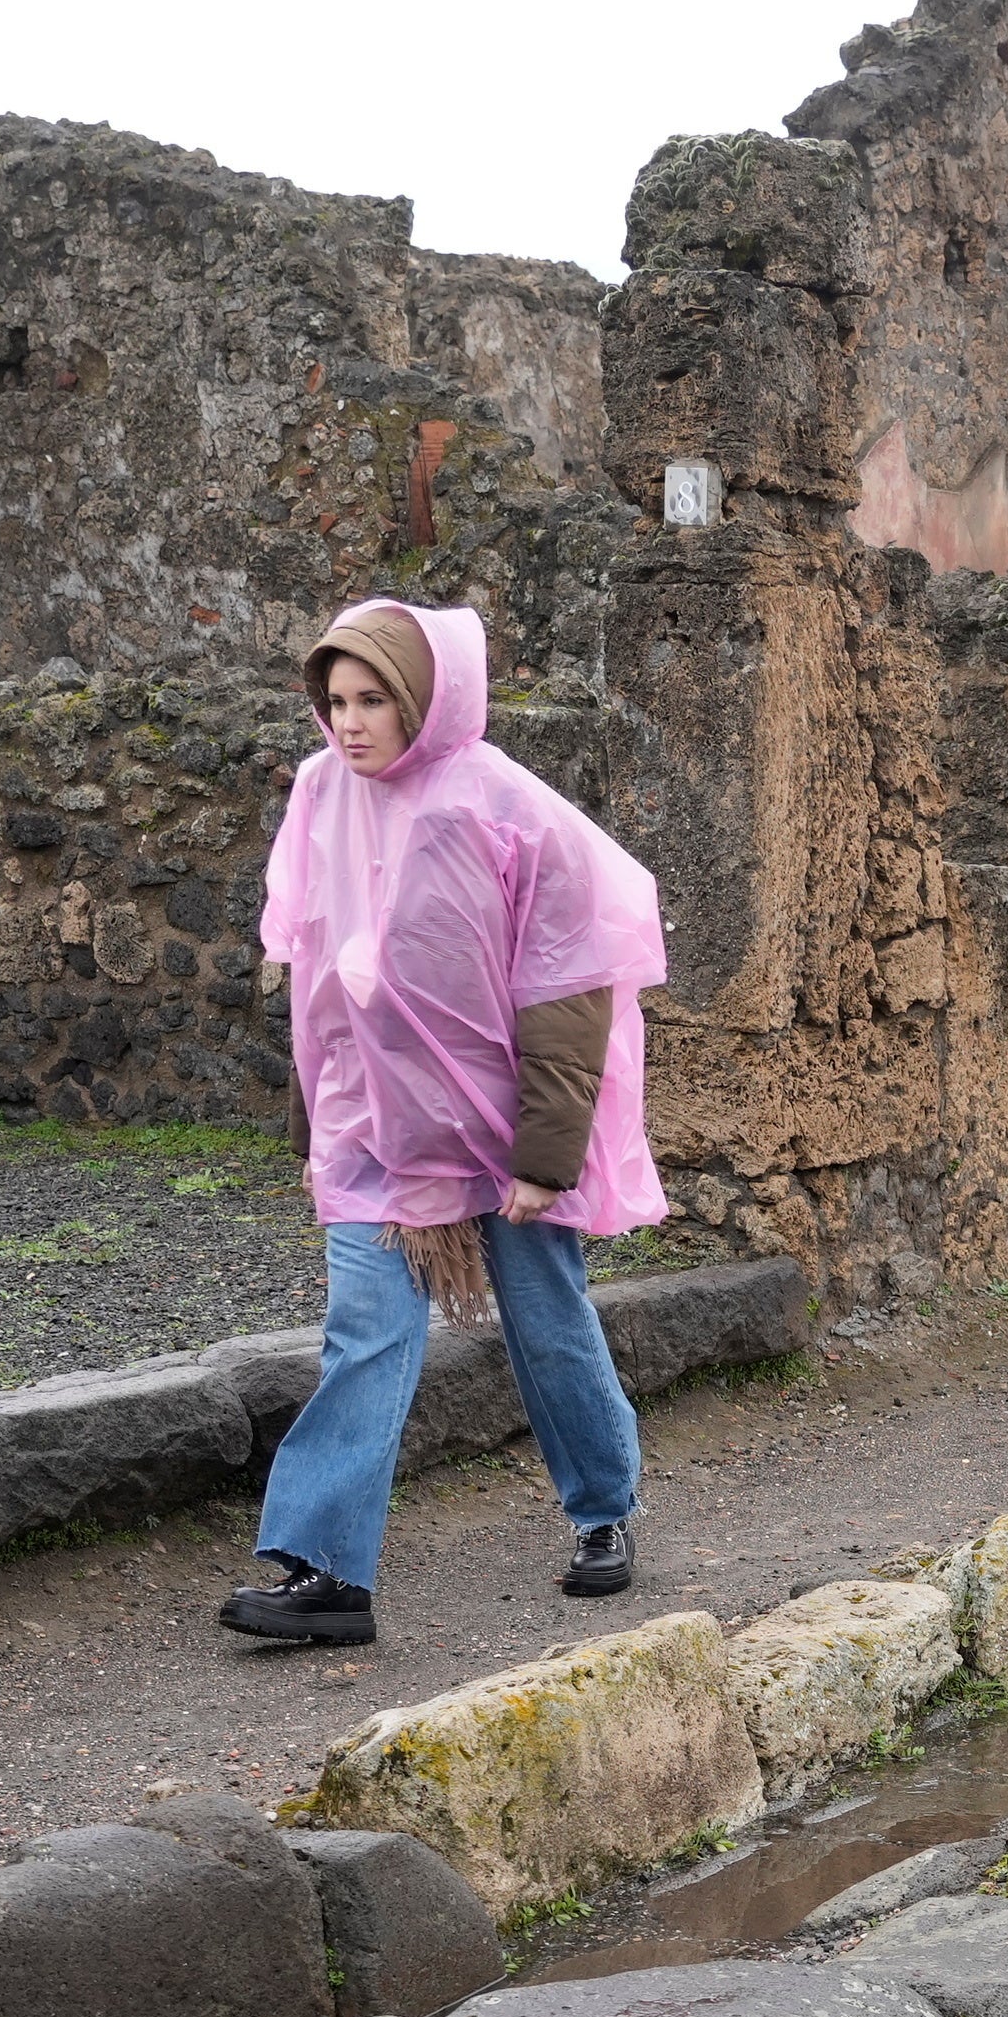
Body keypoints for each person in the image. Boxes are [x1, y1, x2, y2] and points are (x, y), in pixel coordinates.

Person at [220, 596, 666, 1652]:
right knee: (364, 1333)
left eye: (374, 698)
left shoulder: (503, 802)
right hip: (375, 1128)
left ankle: (604, 1511)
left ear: (424, 696)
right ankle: (328, 1574)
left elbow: (569, 979)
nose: (352, 722)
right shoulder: (320, 795)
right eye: (335, 701)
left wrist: (547, 1157)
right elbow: (321, 985)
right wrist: (313, 1141)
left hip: (499, 1124)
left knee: (544, 1317)